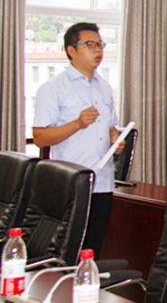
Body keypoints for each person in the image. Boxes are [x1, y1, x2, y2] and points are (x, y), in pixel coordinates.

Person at [33, 22, 124, 254]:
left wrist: (115, 139)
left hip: (102, 182)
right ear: (71, 51)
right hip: (71, 183)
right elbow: (40, 137)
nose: (98, 50)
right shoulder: (53, 88)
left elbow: (110, 127)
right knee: (66, 249)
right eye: (90, 45)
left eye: (100, 44)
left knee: (92, 249)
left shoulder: (104, 87)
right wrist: (77, 124)